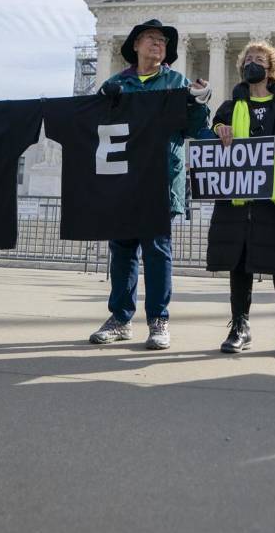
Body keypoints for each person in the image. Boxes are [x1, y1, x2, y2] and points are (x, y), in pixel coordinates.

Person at [88, 19, 210, 350]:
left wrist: (200, 103)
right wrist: (102, 101)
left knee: (157, 251)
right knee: (123, 250)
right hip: (123, 180)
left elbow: (192, 129)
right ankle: (121, 319)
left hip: (159, 179)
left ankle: (158, 321)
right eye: (151, 39)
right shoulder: (117, 83)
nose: (159, 45)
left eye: (163, 41)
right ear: (136, 46)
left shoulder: (176, 82)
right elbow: (93, 126)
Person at [207, 42, 275, 356]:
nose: (253, 63)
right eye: (248, 59)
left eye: (259, 60)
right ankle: (240, 326)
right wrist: (220, 128)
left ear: (271, 67)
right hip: (238, 193)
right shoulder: (230, 105)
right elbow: (213, 131)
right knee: (239, 262)